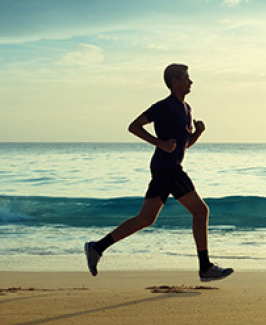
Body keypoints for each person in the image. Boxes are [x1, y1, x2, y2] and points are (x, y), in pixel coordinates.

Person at [84, 64, 234, 282]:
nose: (190, 82)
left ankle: (97, 247)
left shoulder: (187, 109)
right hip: (167, 168)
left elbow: (184, 145)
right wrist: (160, 144)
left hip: (166, 167)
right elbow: (134, 126)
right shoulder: (163, 106)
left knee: (146, 218)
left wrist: (198, 133)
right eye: (186, 78)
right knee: (200, 211)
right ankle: (205, 267)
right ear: (174, 82)